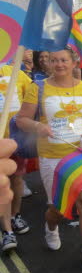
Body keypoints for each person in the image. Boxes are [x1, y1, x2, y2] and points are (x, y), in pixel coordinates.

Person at [16, 48, 82, 271]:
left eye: (64, 60)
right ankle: (51, 226)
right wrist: (38, 125)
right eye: (54, 60)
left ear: (74, 62)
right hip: (52, 156)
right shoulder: (37, 88)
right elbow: (22, 120)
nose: (59, 64)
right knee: (58, 207)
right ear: (48, 63)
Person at [0, 62, 32, 251]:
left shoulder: (15, 72)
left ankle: (15, 216)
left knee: (17, 180)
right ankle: (7, 232)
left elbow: (32, 98)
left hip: (16, 139)